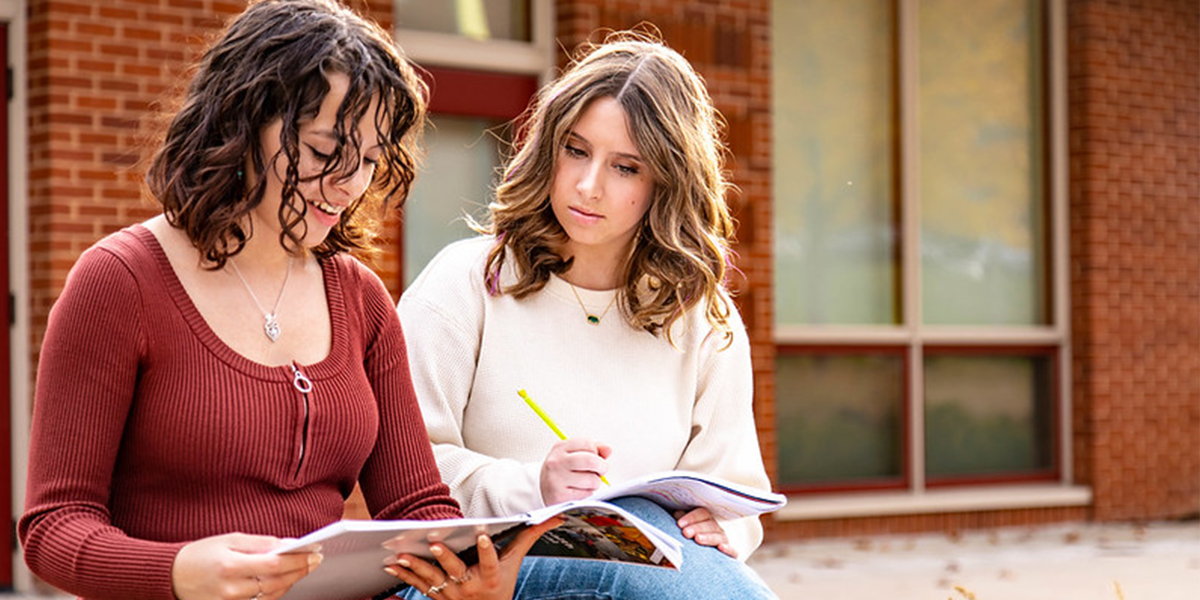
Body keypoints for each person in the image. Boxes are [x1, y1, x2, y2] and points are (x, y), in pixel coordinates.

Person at [17, 2, 555, 600]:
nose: (351, 183)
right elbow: (53, 529)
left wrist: (469, 578)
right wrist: (178, 572)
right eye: (326, 151)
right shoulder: (119, 281)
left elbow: (416, 506)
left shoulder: (361, 299)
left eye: (371, 161)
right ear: (242, 122)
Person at [398, 31, 779, 599]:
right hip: (474, 571)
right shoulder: (465, 282)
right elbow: (406, 472)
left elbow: (732, 488)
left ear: (665, 184)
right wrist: (536, 486)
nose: (587, 184)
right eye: (576, 150)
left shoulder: (702, 316)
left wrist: (725, 526)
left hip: (647, 574)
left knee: (655, 541)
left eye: (625, 167)